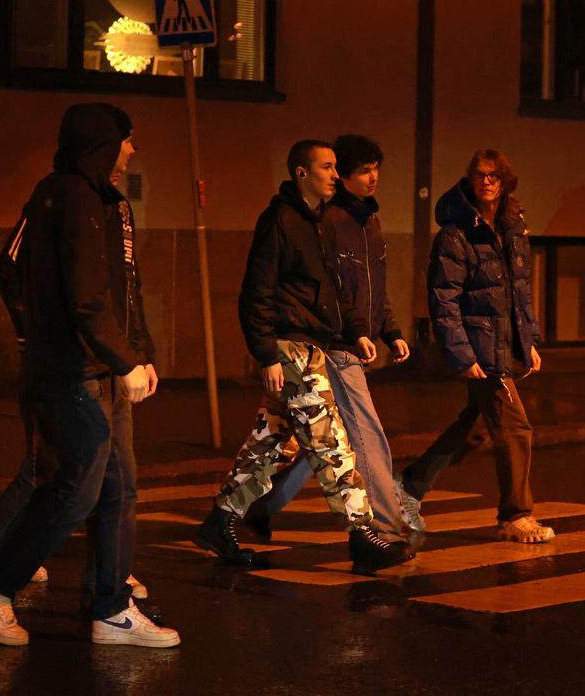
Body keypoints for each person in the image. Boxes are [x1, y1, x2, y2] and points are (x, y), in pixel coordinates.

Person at [0, 103, 178, 648]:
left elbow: (125, 288)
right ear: (102, 141)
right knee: (75, 490)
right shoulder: (67, 196)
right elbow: (85, 296)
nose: (133, 149)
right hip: (71, 370)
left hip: (104, 367)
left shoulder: (109, 202)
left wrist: (140, 354)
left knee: (119, 489)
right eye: (126, 139)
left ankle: (111, 607)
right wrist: (121, 357)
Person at [194, 139, 412, 575]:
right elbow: (256, 292)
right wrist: (266, 354)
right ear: (301, 173)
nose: (335, 175)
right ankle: (362, 536)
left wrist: (356, 332)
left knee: (273, 439)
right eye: (327, 168)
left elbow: (333, 288)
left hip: (313, 345)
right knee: (330, 441)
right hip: (290, 347)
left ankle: (220, 521)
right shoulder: (279, 220)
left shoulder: (319, 222)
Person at [245, 134, 410, 544]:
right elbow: (266, 290)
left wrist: (387, 330)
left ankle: (254, 507)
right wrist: (269, 352)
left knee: (313, 439)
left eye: (375, 170)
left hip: (342, 339)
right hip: (327, 345)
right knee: (360, 433)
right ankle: (382, 526)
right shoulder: (321, 220)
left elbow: (368, 288)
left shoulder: (366, 222)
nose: (372, 178)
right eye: (362, 171)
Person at [395, 149, 554, 543]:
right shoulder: (456, 234)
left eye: (493, 175)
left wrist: (529, 342)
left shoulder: (513, 227)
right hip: (482, 349)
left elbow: (521, 292)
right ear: (470, 180)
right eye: (480, 175)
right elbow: (443, 299)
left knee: (478, 428)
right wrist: (462, 354)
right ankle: (516, 515)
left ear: (505, 181)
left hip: (506, 345)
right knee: (516, 429)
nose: (486, 181)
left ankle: (410, 485)